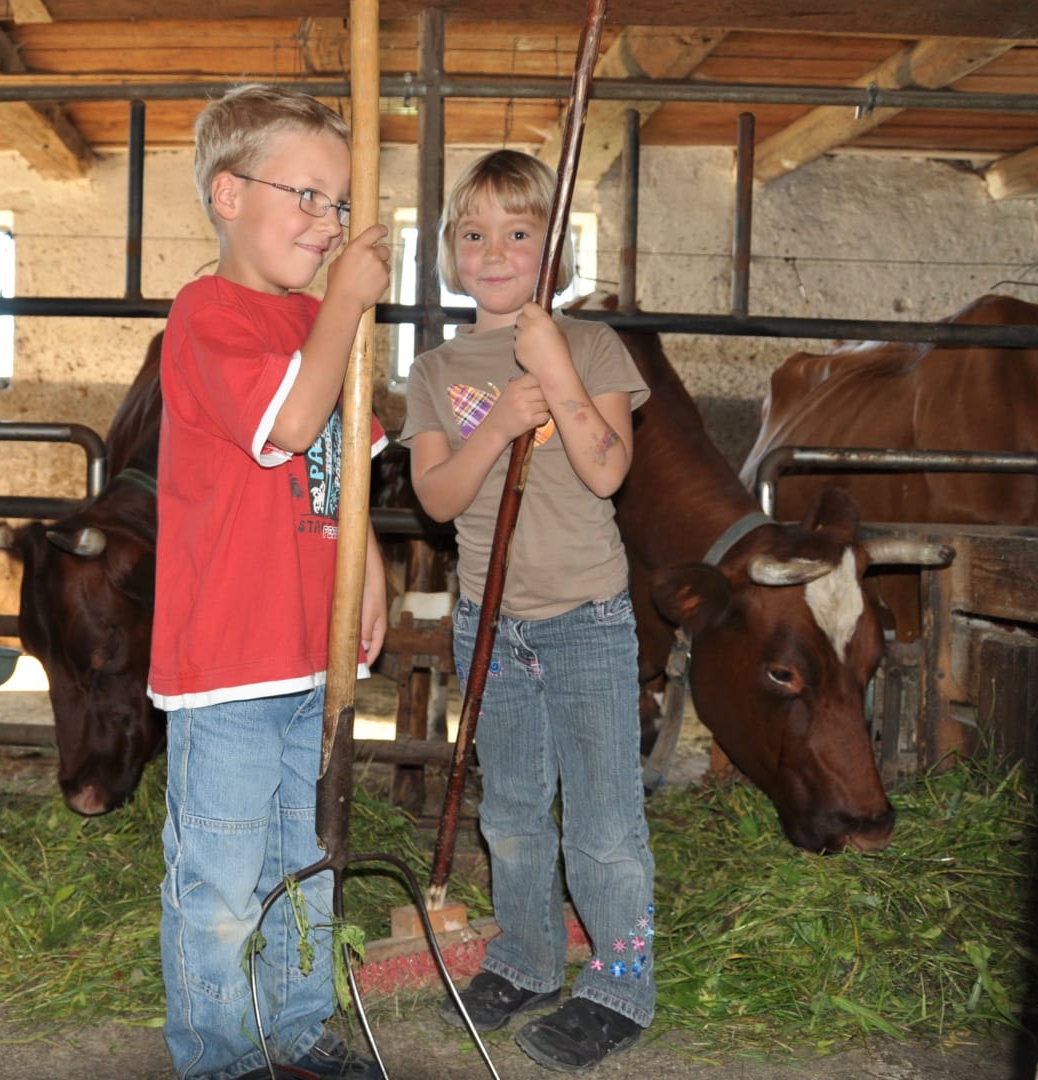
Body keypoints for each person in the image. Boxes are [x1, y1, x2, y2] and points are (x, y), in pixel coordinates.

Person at [150, 83, 393, 1080]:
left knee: (310, 857)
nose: (329, 222)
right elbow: (290, 425)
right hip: (230, 663)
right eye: (307, 196)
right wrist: (344, 305)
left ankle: (294, 1025)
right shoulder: (207, 314)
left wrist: (369, 570)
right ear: (228, 193)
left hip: (311, 652)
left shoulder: (317, 324)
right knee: (220, 878)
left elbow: (345, 463)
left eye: (341, 204)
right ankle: (219, 1054)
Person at [398, 148, 656, 1072]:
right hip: (490, 626)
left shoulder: (593, 347)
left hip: (586, 618)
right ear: (449, 252)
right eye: (474, 234)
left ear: (554, 251)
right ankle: (529, 958)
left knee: (604, 825)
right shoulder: (435, 369)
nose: (495, 251)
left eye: (518, 232)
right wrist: (500, 424)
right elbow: (435, 497)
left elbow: (607, 469)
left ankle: (621, 982)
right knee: (509, 812)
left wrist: (554, 366)